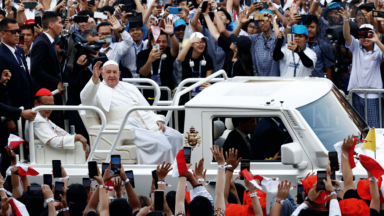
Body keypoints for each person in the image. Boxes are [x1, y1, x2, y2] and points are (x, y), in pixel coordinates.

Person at [80, 60, 183, 164]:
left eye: (114, 72)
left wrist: (157, 119)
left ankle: (180, 169)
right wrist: (94, 78)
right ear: (102, 73)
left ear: (119, 74)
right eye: (108, 72)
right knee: (161, 144)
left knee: (176, 137)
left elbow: (145, 107)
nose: (112, 75)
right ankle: (163, 175)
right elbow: (85, 99)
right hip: (122, 125)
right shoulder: (97, 89)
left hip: (144, 121)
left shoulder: (129, 87)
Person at [342, 5, 384, 128]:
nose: (365, 37)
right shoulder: (355, 46)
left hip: (373, 95)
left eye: (369, 34)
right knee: (358, 128)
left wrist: (377, 40)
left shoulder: (378, 49)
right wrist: (345, 20)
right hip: (356, 94)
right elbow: (346, 36)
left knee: (374, 129)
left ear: (374, 34)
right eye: (362, 34)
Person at [0, 18, 41, 134]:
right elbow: (3, 87)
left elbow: (26, 76)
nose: (17, 34)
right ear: (3, 34)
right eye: (13, 32)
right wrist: (9, 117)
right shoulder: (1, 55)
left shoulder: (19, 50)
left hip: (27, 107)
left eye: (18, 31)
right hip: (13, 111)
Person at [65, 29, 106, 141]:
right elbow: (73, 87)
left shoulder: (103, 57)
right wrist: (80, 69)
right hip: (80, 111)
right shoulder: (73, 61)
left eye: (98, 43)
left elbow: (107, 83)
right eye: (93, 44)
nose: (96, 48)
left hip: (99, 108)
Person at [25, 88, 89, 158]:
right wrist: (76, 138)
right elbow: (54, 141)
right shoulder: (37, 119)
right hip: (42, 156)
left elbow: (59, 131)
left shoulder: (40, 115)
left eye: (52, 105)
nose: (50, 109)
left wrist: (76, 139)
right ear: (36, 103)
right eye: (46, 105)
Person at [30, 11, 65, 128]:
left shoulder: (48, 41)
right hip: (46, 95)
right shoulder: (41, 43)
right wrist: (56, 82)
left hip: (52, 95)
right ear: (51, 25)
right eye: (60, 23)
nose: (62, 26)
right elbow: (35, 70)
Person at [136, 18, 179, 102]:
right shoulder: (143, 54)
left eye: (164, 41)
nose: (161, 44)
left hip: (166, 96)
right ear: (152, 42)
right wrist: (150, 60)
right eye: (158, 41)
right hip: (147, 96)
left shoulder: (168, 52)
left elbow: (176, 49)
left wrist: (171, 34)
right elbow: (144, 73)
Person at [234, 10, 281, 76]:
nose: (262, 23)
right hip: (258, 81)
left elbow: (280, 39)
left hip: (274, 80)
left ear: (270, 22)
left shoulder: (276, 36)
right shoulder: (254, 38)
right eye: (259, 21)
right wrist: (240, 24)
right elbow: (234, 39)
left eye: (265, 20)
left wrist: (273, 21)